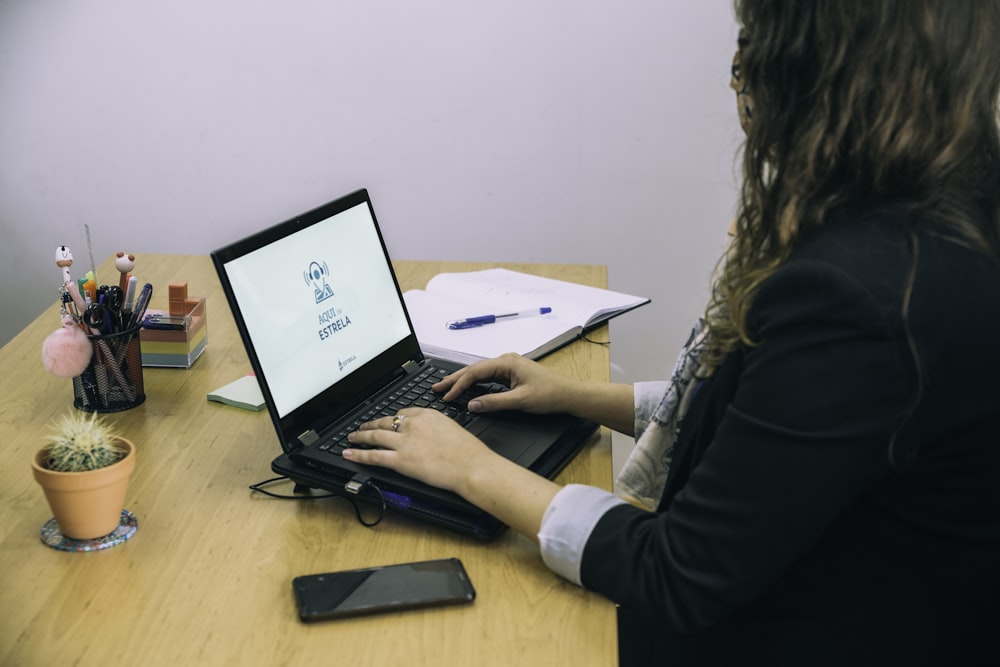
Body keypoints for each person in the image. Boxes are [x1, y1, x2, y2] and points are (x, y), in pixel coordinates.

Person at [345, 1, 1000, 664]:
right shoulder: (944, 224)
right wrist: (576, 395)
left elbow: (676, 573)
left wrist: (472, 468)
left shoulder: (861, 290)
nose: (738, 83)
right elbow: (771, 430)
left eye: (749, 52)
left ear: (818, 73)